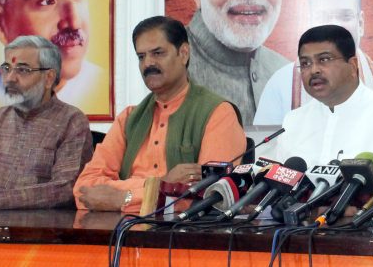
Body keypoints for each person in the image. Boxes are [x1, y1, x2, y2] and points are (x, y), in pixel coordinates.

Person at [74, 16, 246, 212]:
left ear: (183, 53)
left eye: (157, 53)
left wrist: (123, 198)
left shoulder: (217, 113)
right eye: (141, 56)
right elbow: (83, 190)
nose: (148, 63)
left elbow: (209, 195)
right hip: (123, 230)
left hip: (180, 236)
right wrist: (159, 184)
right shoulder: (129, 118)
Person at [272, 25, 373, 220]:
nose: (314, 70)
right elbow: (282, 190)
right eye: (306, 63)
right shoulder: (292, 121)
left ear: (353, 65)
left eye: (324, 60)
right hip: (294, 237)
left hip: (365, 241)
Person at [0, 36, 93, 210]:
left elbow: (65, 190)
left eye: (23, 70)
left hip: (38, 231)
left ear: (49, 78)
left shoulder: (71, 120)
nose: (10, 78)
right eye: (6, 68)